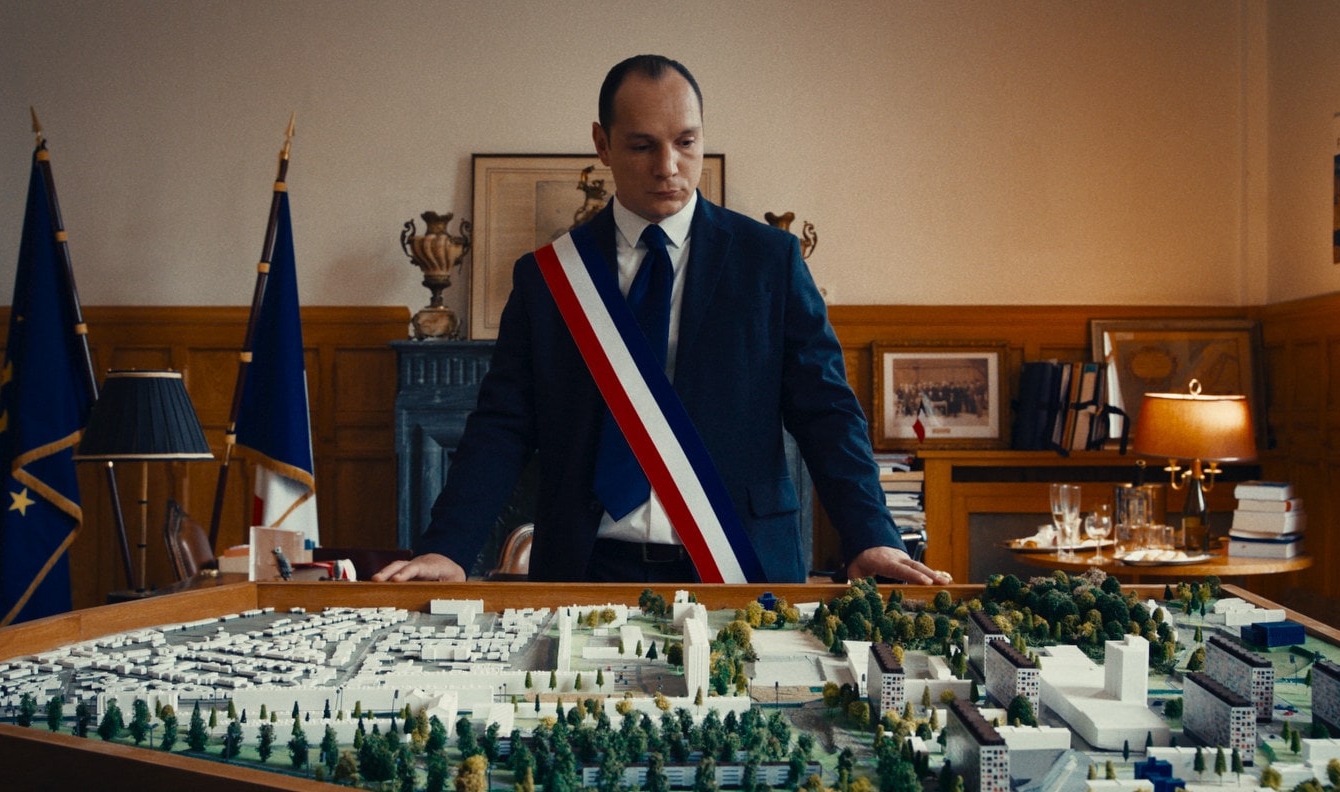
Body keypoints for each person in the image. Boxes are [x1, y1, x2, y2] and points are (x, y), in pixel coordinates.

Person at [374, 54, 951, 586]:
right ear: (601, 143)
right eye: (642, 145)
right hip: (588, 568)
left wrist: (871, 534)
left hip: (740, 567)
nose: (668, 168)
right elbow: (503, 423)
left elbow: (826, 411)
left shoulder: (769, 260)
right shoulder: (549, 278)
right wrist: (446, 547)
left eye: (686, 142)